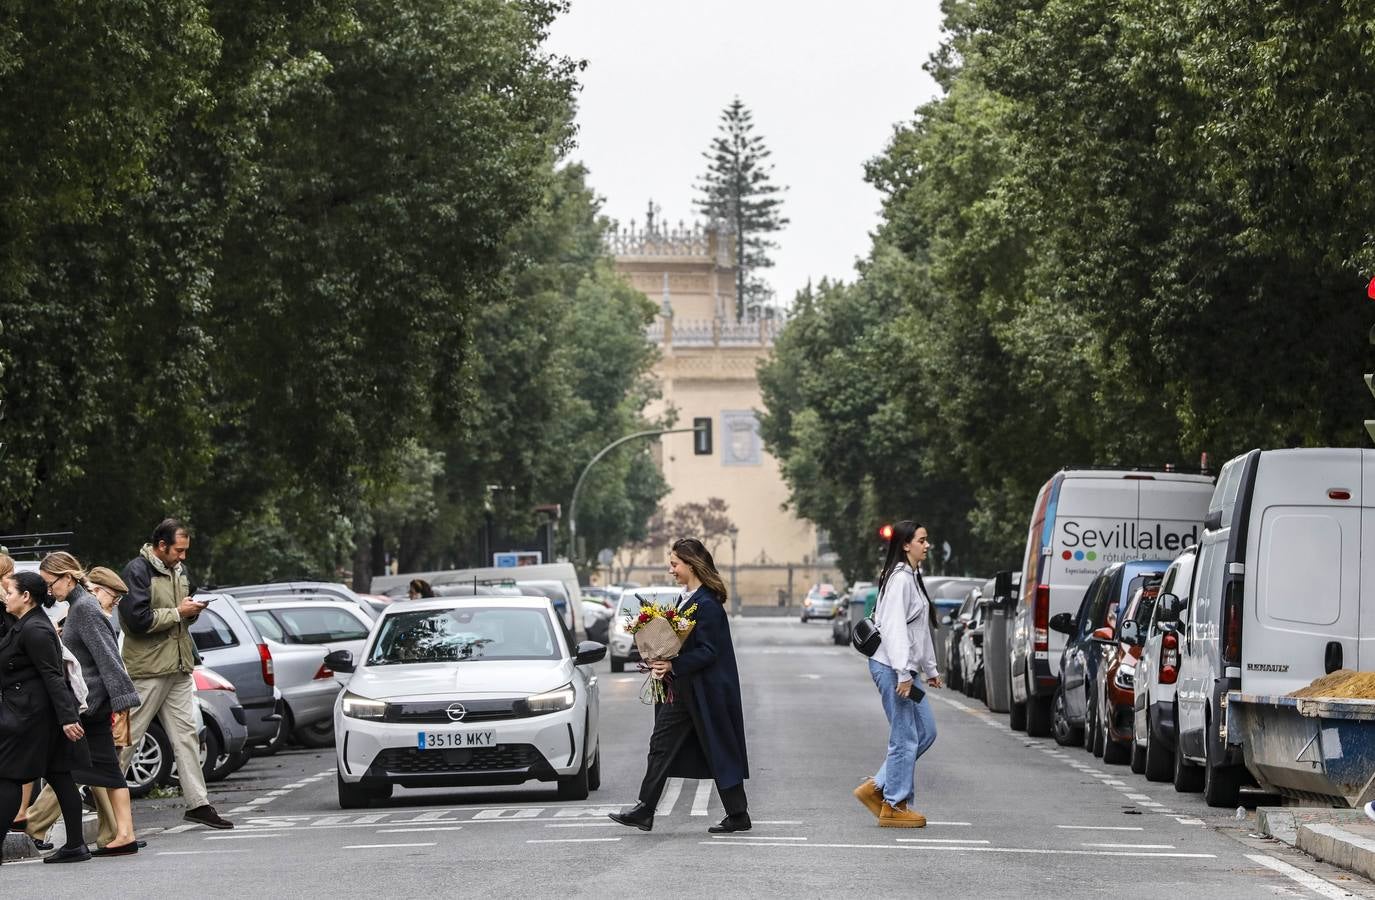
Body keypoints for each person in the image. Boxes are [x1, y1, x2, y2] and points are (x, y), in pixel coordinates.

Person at [609, 538, 751, 834]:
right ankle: (646, 809)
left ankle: (737, 814)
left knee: (715, 749)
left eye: (675, 564)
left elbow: (710, 651)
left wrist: (674, 665)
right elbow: (680, 642)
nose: (671, 570)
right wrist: (658, 654)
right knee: (665, 745)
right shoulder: (685, 599)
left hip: (705, 692)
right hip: (685, 690)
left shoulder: (708, 605)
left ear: (691, 565)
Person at [117, 519, 233, 830]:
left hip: (179, 666)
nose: (183, 556)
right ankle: (99, 791)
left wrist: (190, 612)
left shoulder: (179, 571)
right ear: (161, 545)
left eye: (185, 551)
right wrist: (179, 613)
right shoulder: (137, 571)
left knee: (187, 737)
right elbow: (136, 621)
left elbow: (180, 615)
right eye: (178, 550)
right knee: (130, 736)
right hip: (148, 669)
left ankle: (199, 804)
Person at [32, 553, 142, 855]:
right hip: (89, 704)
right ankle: (121, 835)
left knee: (73, 769)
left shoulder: (84, 609)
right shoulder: (79, 606)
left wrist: (121, 700)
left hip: (89, 706)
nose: (48, 590)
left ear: (68, 577)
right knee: (103, 771)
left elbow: (108, 658)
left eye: (50, 583)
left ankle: (102, 837)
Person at [853, 520, 942, 828]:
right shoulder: (900, 579)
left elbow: (919, 630)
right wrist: (904, 673)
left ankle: (877, 786)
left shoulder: (912, 577)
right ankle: (894, 804)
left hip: (905, 669)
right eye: (921, 540)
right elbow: (893, 630)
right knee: (904, 736)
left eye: (926, 540)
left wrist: (930, 668)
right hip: (892, 667)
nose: (926, 545)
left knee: (926, 731)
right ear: (906, 545)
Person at [0, 571, 91, 863]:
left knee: (8, 776)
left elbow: (53, 676)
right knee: (59, 776)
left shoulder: (35, 629)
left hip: (29, 716)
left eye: (9, 592)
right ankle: (76, 845)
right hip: (36, 712)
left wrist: (68, 718)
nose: (5, 597)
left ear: (26, 596)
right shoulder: (27, 623)